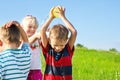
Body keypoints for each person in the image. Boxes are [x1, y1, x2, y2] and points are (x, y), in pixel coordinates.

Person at [40, 6, 77, 80]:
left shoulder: (68, 49)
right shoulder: (48, 49)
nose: (58, 48)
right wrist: (51, 17)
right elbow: (42, 30)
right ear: (49, 40)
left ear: (66, 40)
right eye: (55, 45)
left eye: (62, 45)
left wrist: (62, 17)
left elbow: (73, 32)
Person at [21, 15, 42, 80]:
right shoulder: (20, 38)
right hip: (23, 71)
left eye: (35, 27)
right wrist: (35, 36)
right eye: (30, 27)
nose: (32, 29)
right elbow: (25, 43)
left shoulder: (37, 39)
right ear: (22, 27)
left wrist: (43, 33)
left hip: (36, 69)